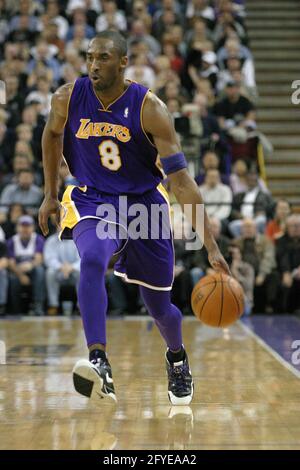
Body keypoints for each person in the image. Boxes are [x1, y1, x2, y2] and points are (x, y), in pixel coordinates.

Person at [39, 31, 229, 406]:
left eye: (104, 57)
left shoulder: (150, 108)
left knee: (161, 309)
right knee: (91, 260)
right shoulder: (66, 97)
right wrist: (49, 194)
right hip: (93, 199)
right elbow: (51, 135)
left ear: (123, 62)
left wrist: (211, 246)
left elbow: (181, 181)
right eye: (90, 57)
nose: (94, 65)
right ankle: (99, 361)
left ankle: (176, 357)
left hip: (144, 205)